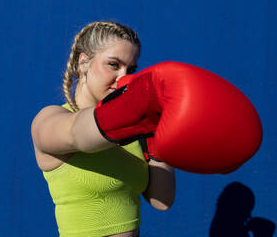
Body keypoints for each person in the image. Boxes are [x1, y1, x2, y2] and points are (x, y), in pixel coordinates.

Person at [31, 21, 176, 237]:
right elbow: (79, 134)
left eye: (131, 69)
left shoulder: (135, 130)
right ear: (83, 63)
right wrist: (133, 110)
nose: (124, 78)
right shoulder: (51, 119)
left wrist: (158, 133)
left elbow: (161, 200)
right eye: (114, 65)